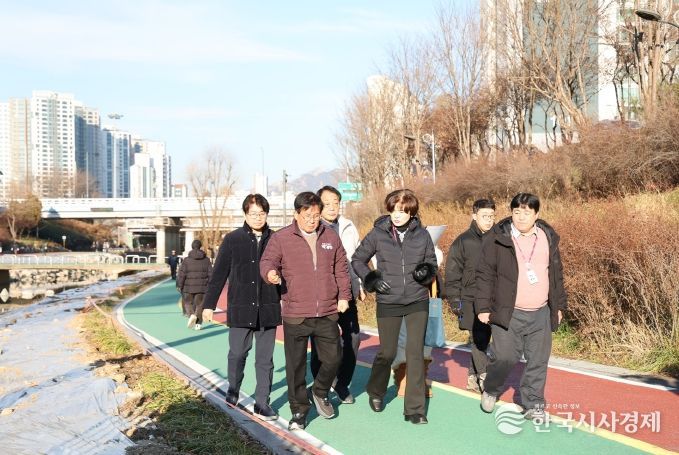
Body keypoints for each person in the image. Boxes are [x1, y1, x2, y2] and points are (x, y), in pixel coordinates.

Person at [260, 191, 352, 431]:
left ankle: (319, 390)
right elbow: (267, 261)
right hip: (296, 313)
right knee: (296, 367)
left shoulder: (330, 236)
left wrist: (344, 296)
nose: (312, 220)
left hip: (327, 311)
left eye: (316, 215)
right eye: (307, 215)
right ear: (296, 214)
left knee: (334, 358)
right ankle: (299, 411)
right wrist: (270, 274)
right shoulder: (281, 238)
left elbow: (341, 268)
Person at [476, 193, 567, 420]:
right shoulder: (498, 238)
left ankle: (533, 404)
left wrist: (558, 306)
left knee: (538, 361)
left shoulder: (547, 237)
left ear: (536, 214)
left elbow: (556, 275)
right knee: (505, 357)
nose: (521, 217)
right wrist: (483, 308)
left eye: (526, 212)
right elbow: (485, 275)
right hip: (508, 312)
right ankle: (491, 388)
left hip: (541, 312)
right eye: (516, 212)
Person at [352, 189, 437, 425]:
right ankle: (376, 390)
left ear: (411, 212)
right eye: (393, 210)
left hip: (417, 300)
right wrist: (372, 279)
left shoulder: (423, 235)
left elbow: (431, 262)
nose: (397, 215)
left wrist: (426, 272)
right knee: (387, 352)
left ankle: (415, 409)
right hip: (388, 300)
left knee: (415, 353)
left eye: (402, 211)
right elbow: (357, 259)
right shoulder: (378, 234)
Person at [203, 194, 281, 421]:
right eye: (253, 213)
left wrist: (280, 279)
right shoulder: (232, 239)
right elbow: (219, 274)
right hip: (240, 308)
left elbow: (288, 270)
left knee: (265, 360)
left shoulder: (276, 239)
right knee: (237, 354)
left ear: (267, 214)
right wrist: (208, 305)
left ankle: (262, 403)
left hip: (268, 308)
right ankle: (233, 388)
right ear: (245, 214)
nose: (257, 217)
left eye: (261, 213)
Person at [309, 185, 364, 405]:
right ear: (319, 206)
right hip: (322, 296)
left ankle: (342, 384)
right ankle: (320, 388)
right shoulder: (313, 228)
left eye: (336, 203)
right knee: (321, 344)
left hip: (347, 292)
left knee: (353, 339)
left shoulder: (348, 226)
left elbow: (357, 257)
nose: (332, 207)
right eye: (327, 203)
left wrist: (359, 284)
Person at [444, 198, 496, 393]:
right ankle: (484, 377)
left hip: (493, 298)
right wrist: (454, 300)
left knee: (483, 337)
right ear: (474, 216)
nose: (489, 220)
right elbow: (452, 273)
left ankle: (472, 378)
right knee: (479, 337)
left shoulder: (499, 239)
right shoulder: (463, 241)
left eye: (491, 216)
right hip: (469, 298)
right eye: (484, 216)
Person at [176, 240, 213, 331]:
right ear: (200, 246)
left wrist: (179, 285)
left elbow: (182, 274)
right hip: (202, 287)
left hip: (188, 287)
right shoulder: (206, 260)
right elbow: (211, 274)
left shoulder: (186, 260)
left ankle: (191, 315)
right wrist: (210, 286)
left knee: (188, 303)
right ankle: (198, 324)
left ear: (192, 247)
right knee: (199, 305)